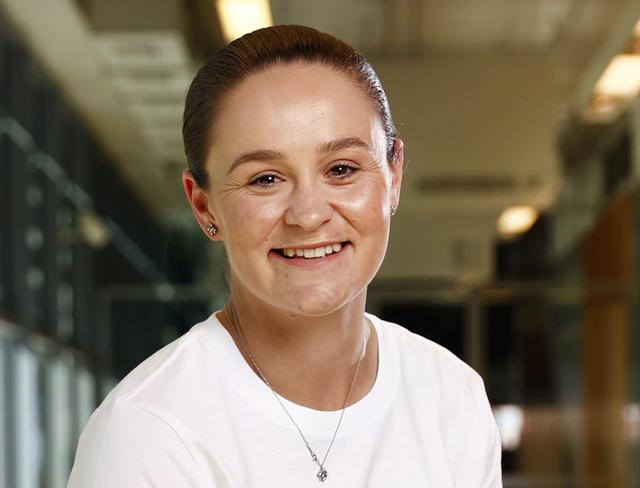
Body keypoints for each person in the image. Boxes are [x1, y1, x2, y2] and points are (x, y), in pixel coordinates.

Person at [67, 24, 502, 487]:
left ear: (393, 176)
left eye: (341, 169)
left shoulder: (451, 395)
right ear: (203, 205)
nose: (308, 214)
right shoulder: (149, 432)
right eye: (265, 179)